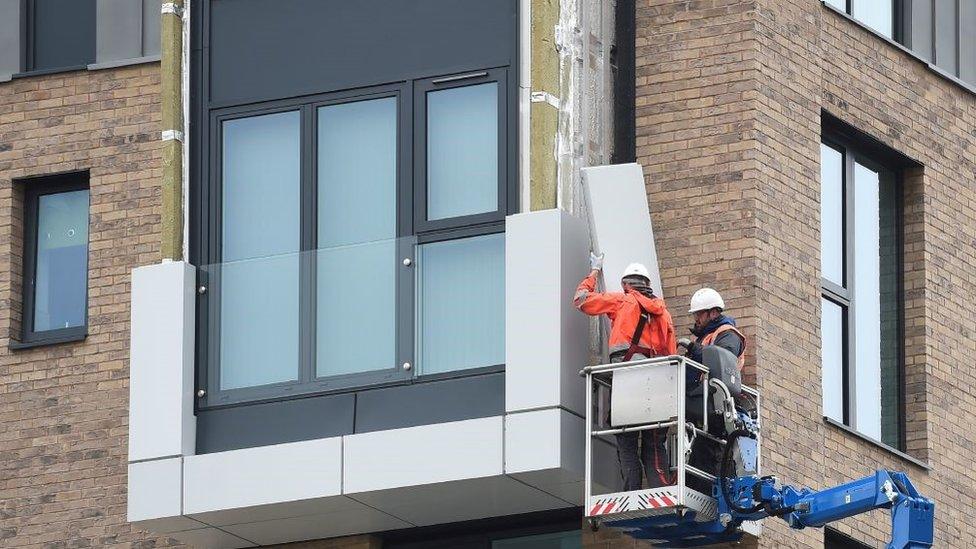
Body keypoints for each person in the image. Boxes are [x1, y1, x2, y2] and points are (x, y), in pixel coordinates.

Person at [574, 252, 676, 490]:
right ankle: (659, 490)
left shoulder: (623, 301)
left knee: (627, 436)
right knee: (653, 440)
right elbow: (672, 357)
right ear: (648, 285)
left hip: (628, 380)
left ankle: (632, 492)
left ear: (626, 285)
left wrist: (595, 272)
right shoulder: (664, 314)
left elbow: (581, 300)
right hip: (657, 384)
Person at [679, 287, 746, 495]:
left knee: (709, 453)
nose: (696, 319)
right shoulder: (705, 336)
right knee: (699, 452)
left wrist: (694, 350)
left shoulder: (728, 335)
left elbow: (722, 360)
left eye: (699, 314)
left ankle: (707, 492)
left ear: (713, 313)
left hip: (715, 400)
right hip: (702, 398)